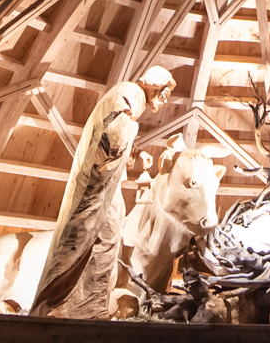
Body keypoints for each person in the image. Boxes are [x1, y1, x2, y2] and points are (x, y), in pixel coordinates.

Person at [31, 67, 175, 318]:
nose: (163, 102)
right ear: (153, 87)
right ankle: (80, 307)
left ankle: (91, 304)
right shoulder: (126, 97)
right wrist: (127, 141)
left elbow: (115, 139)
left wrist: (136, 153)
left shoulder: (129, 104)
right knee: (102, 237)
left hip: (108, 188)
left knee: (109, 237)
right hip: (98, 191)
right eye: (163, 94)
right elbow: (110, 139)